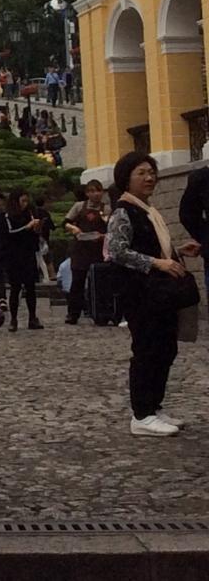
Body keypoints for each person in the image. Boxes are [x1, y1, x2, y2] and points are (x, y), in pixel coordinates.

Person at [106, 152, 202, 437]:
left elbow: (148, 245)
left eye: (151, 172)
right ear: (126, 178)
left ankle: (154, 406)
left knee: (165, 348)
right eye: (141, 173)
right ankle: (142, 414)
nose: (149, 178)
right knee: (147, 350)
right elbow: (117, 251)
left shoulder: (148, 210)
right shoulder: (124, 211)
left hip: (160, 294)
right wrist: (156, 262)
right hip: (140, 294)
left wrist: (176, 252)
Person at [64, 181, 109, 324]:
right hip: (81, 249)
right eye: (92, 191)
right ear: (87, 193)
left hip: (98, 249)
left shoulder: (106, 208)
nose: (96, 194)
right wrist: (74, 229)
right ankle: (73, 313)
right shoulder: (79, 206)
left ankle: (100, 312)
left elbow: (111, 227)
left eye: (98, 191)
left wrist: (102, 236)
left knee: (99, 282)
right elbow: (66, 222)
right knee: (77, 281)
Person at [3, 189, 44, 331]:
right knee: (15, 288)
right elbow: (9, 233)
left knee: (31, 287)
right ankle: (13, 319)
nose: (25, 204)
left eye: (27, 201)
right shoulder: (8, 216)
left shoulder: (30, 213)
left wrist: (37, 227)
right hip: (14, 256)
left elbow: (35, 236)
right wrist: (26, 227)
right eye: (22, 201)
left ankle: (32, 317)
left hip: (28, 254)